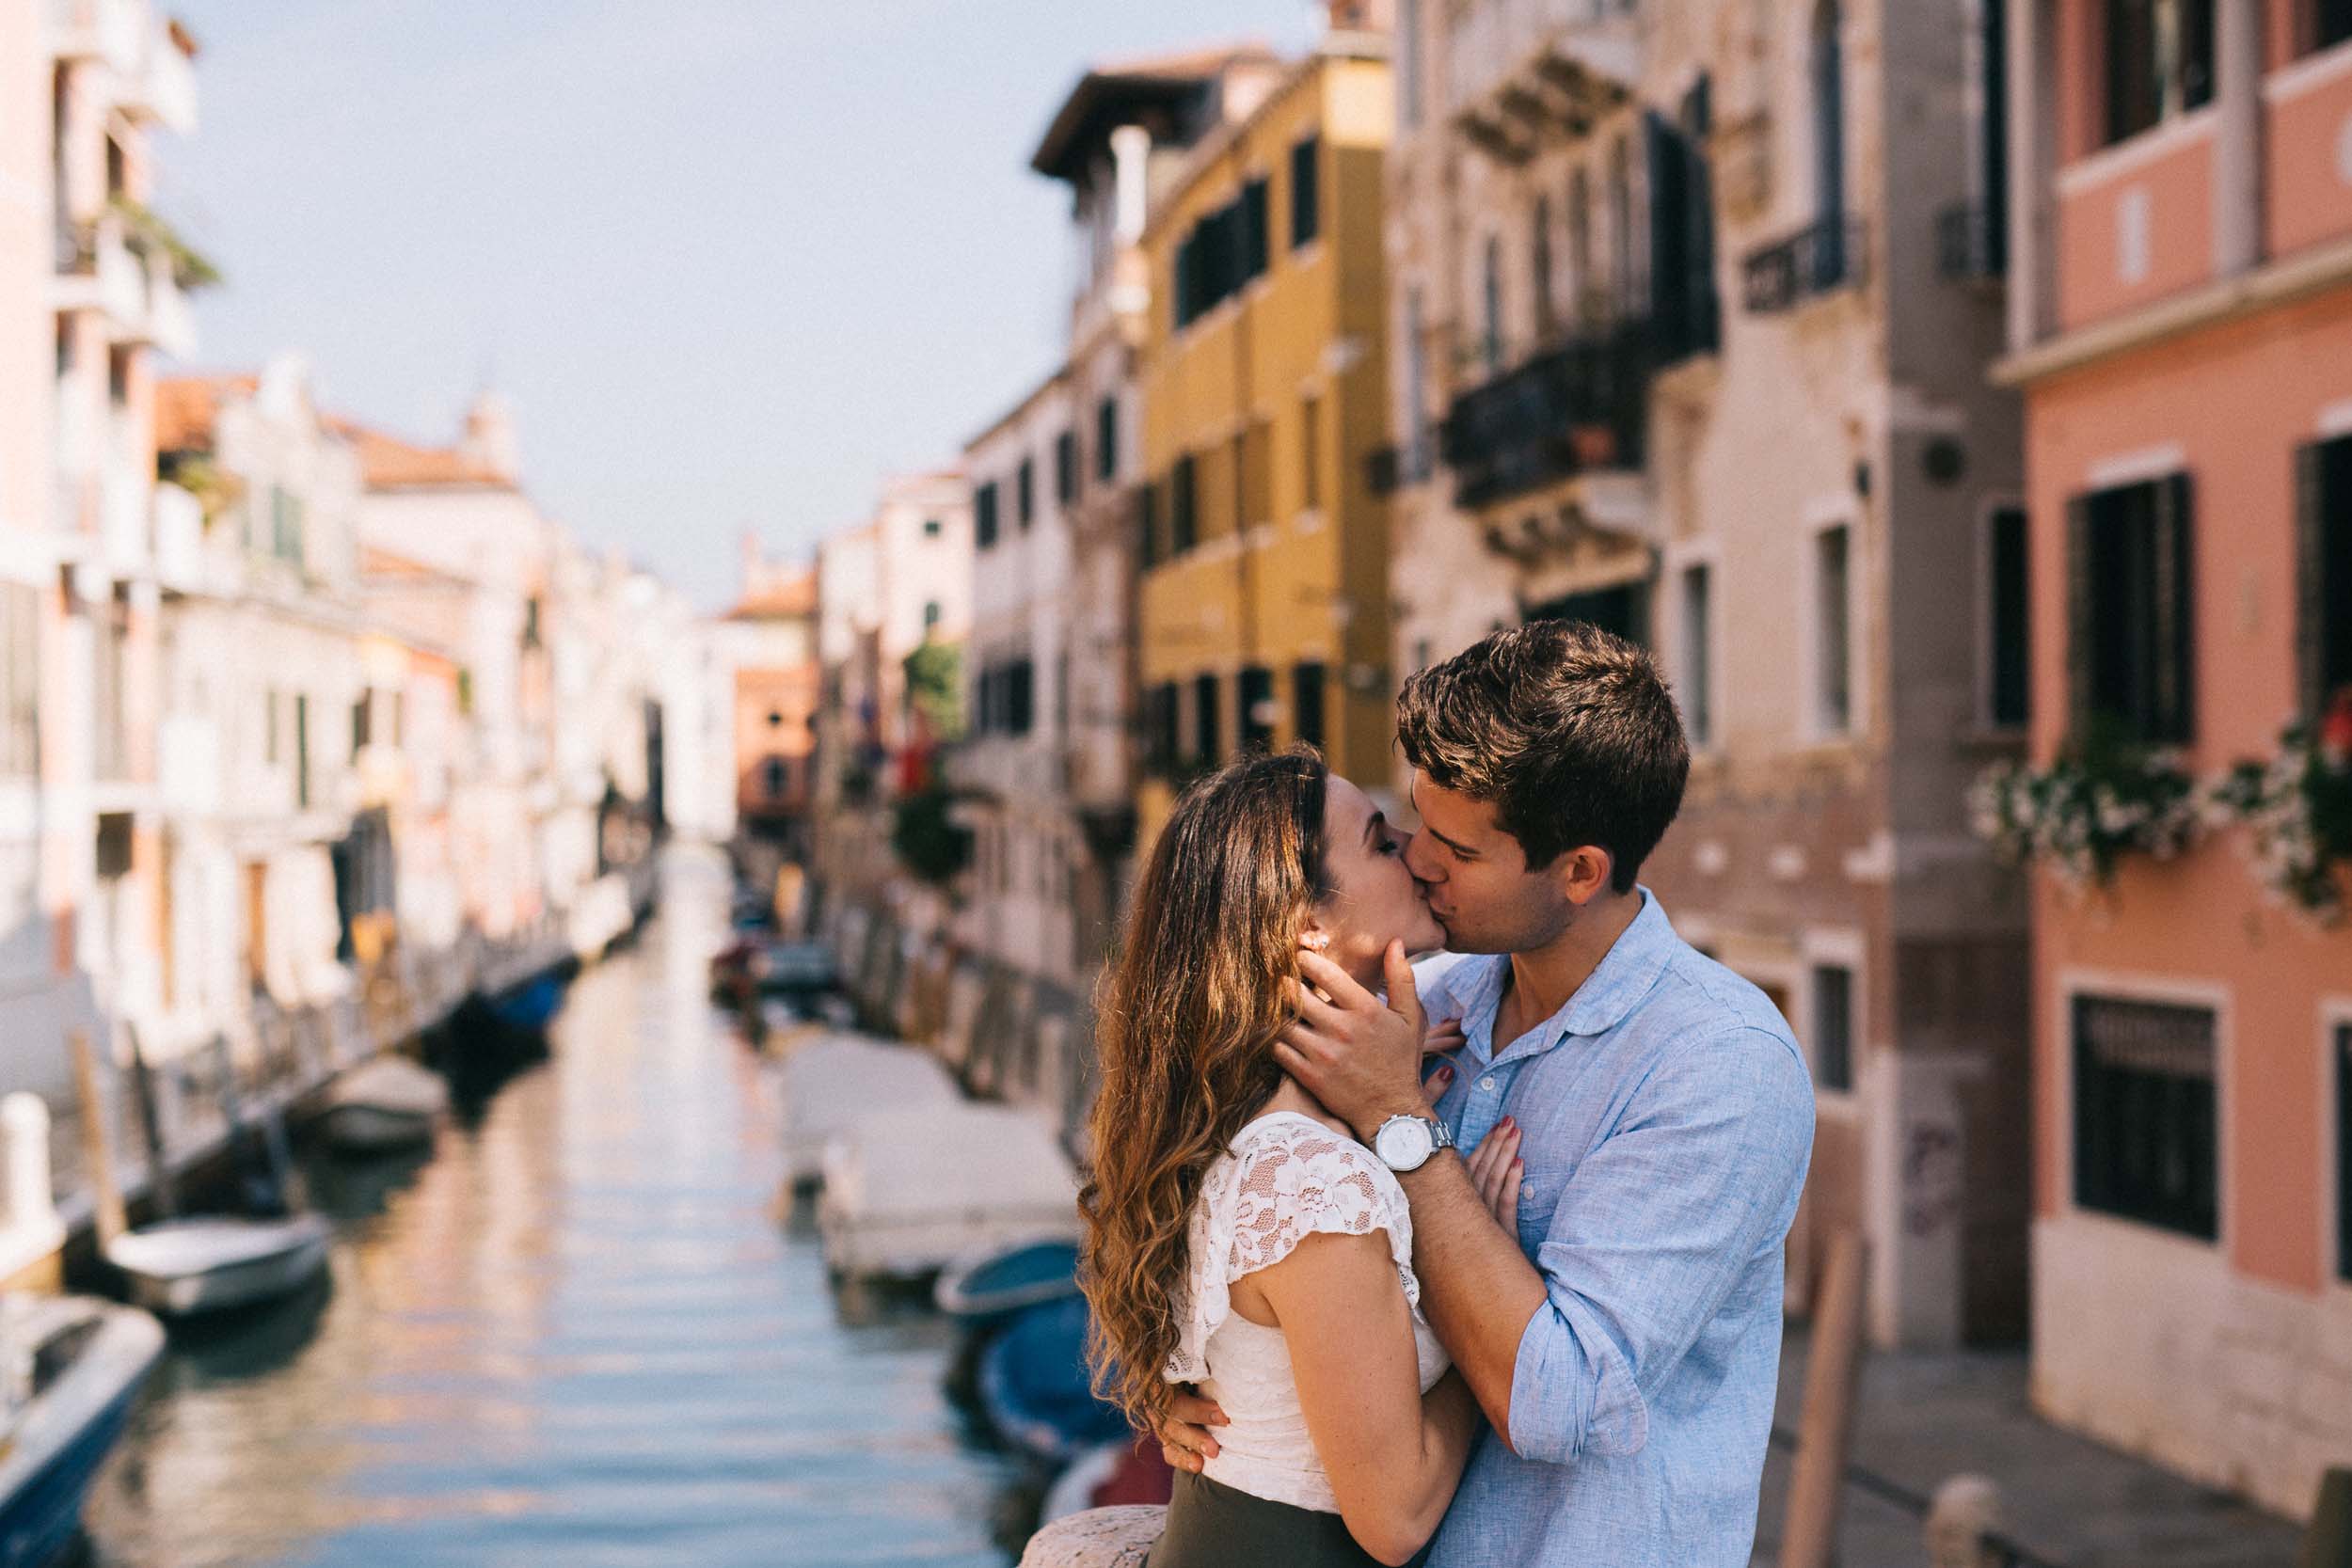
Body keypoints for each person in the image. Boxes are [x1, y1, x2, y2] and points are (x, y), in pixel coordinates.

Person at [1155, 620, 1817, 1567]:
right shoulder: (1421, 1002)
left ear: (1579, 871)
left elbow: (1560, 1402)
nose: (1419, 859)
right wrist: (1193, 1373)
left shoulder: (1718, 1063)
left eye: (1457, 850)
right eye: (1416, 823)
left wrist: (1402, 1125)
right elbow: (1204, 1158)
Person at [1065, 750, 1527, 1568]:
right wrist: (1484, 1303)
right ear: (1304, 925)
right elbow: (1396, 1518)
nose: (1418, 853)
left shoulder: (1230, 1109)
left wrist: (1391, 1079)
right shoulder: (1313, 1188)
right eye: (1381, 840)